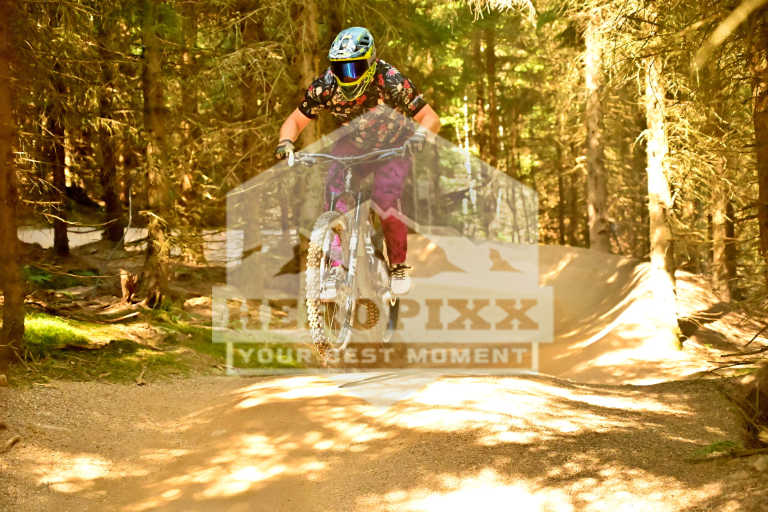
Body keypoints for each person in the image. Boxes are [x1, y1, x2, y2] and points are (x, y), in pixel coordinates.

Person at [275, 26, 440, 297]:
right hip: (354, 143)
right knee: (334, 191)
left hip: (393, 145)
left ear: (371, 63)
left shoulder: (391, 80)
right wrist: (285, 142)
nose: (347, 76)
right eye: (340, 69)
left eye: (354, 68)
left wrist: (419, 137)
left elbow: (430, 118)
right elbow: (295, 120)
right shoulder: (326, 86)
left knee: (386, 197)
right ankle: (335, 267)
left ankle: (398, 266)